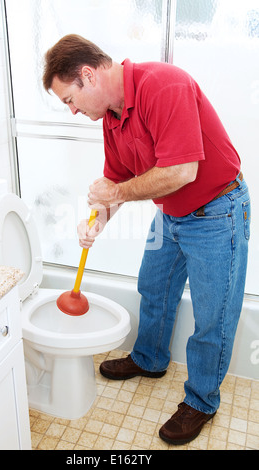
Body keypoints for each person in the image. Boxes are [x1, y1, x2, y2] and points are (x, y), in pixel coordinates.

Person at [43, 34, 250, 445]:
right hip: (170, 214)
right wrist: (95, 223)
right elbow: (115, 182)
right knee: (153, 288)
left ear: (88, 75)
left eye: (69, 99)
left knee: (213, 317)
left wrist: (113, 195)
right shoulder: (112, 117)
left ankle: (202, 400)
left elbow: (181, 171)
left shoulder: (163, 85)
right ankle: (150, 359)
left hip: (216, 212)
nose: (71, 110)